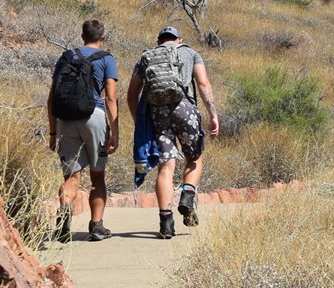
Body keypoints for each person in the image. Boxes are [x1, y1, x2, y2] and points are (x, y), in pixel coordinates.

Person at [126, 26, 219, 239]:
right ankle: (187, 193)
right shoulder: (190, 53)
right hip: (185, 108)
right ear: (179, 39)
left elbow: (132, 94)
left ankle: (166, 222)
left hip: (157, 114)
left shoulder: (146, 57)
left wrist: (139, 120)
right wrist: (213, 114)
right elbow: (203, 84)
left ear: (159, 41)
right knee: (194, 158)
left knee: (166, 166)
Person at [48, 19, 118, 242]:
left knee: (71, 176)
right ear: (103, 37)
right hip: (94, 117)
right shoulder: (106, 58)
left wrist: (52, 132)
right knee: (97, 176)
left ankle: (64, 213)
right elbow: (110, 97)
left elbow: (51, 98)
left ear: (82, 36)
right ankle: (96, 226)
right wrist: (114, 131)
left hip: (66, 119)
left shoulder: (66, 57)